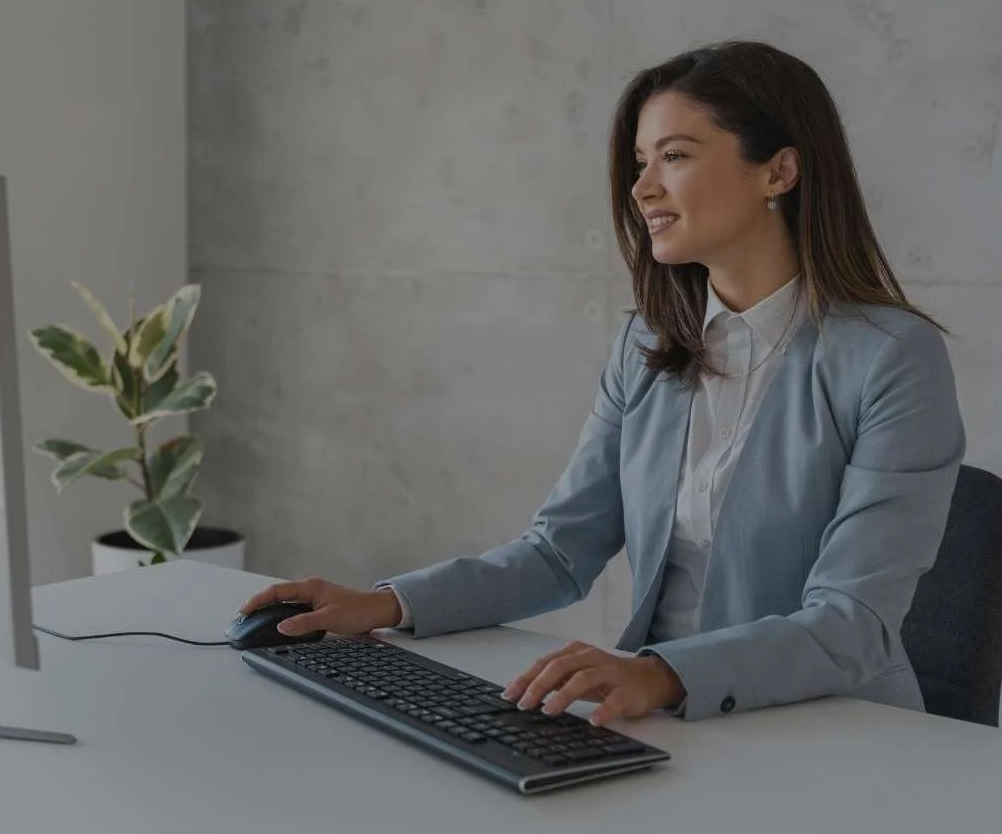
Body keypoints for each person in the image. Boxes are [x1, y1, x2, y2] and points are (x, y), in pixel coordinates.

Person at [237, 40, 966, 727]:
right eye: (640, 161)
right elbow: (559, 552)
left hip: (840, 734)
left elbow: (853, 623)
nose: (642, 187)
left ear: (779, 172)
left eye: (674, 156)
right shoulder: (648, 344)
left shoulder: (891, 357)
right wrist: (385, 602)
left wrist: (659, 673)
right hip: (670, 725)